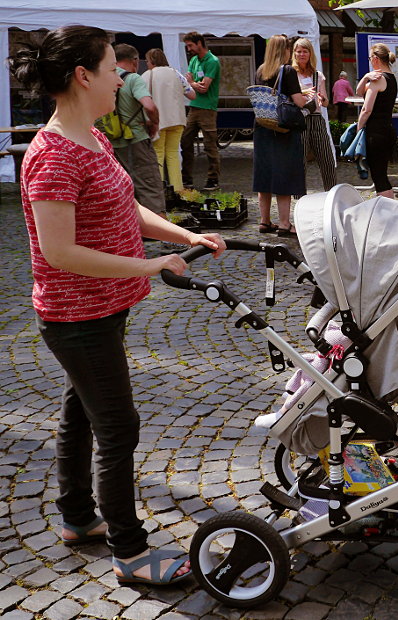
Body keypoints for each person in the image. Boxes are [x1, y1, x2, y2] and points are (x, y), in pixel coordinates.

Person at [8, 24, 225, 585]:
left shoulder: (96, 138)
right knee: (117, 426)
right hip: (77, 316)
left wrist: (183, 237)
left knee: (80, 411)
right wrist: (148, 265)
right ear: (83, 76)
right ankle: (131, 554)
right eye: (112, 70)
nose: (120, 79)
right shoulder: (53, 155)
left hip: (106, 308)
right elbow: (60, 252)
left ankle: (79, 519)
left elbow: (128, 210)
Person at [253, 34, 308, 236]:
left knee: (265, 175)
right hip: (283, 128)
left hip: (262, 127)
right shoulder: (287, 71)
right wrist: (307, 95)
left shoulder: (261, 70)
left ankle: (264, 221)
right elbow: (299, 102)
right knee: (284, 176)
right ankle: (285, 223)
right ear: (285, 50)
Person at [111, 44, 166, 217]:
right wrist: (154, 124)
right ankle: (158, 227)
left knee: (122, 184)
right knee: (148, 181)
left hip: (111, 140)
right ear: (134, 60)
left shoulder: (106, 78)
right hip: (136, 138)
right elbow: (149, 106)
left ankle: (131, 223)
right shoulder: (133, 78)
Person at [141, 48, 196, 192]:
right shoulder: (175, 73)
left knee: (158, 154)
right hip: (177, 119)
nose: (146, 64)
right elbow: (192, 95)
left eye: (147, 61)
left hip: (159, 121)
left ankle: (160, 189)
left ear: (152, 61)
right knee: (173, 154)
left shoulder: (147, 75)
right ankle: (178, 189)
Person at [292, 38, 337, 192]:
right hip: (299, 119)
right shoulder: (291, 73)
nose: (302, 54)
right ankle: (299, 196)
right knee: (299, 161)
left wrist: (321, 98)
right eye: (299, 51)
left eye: (305, 51)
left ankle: (331, 194)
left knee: (327, 159)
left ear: (310, 53)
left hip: (317, 118)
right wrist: (303, 93)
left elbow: (325, 103)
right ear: (294, 54)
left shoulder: (318, 75)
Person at [356, 43, 398, 198]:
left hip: (376, 133)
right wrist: (367, 76)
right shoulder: (390, 78)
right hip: (387, 130)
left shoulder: (378, 80)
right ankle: (387, 210)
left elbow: (366, 109)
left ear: (375, 58)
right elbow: (359, 91)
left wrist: (358, 129)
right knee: (381, 175)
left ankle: (388, 212)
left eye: (370, 58)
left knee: (379, 177)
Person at [181, 32, 221, 191]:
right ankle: (186, 178)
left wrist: (191, 82)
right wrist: (192, 84)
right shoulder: (194, 60)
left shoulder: (212, 61)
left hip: (208, 109)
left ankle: (213, 179)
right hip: (194, 107)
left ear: (199, 43)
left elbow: (204, 88)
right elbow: (187, 85)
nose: (189, 49)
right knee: (185, 141)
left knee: (209, 145)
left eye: (191, 45)